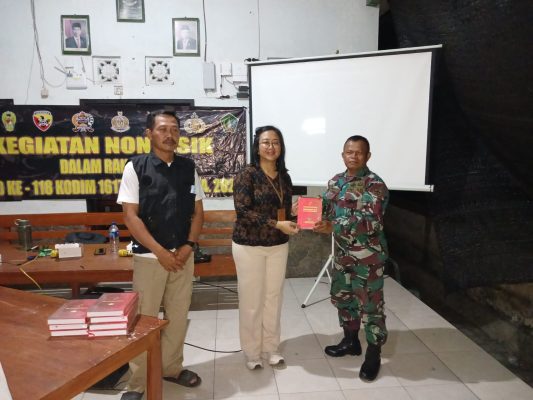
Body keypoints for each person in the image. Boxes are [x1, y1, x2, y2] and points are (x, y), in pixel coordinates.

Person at [117, 110, 204, 400]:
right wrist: (160, 252)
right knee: (144, 320)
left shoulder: (188, 167)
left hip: (182, 257)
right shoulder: (136, 167)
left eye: (175, 129)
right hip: (149, 258)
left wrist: (189, 246)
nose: (170, 135)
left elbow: (198, 212)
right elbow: (130, 216)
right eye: (163, 129)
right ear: (149, 134)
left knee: (178, 316)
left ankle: (171, 368)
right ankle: (138, 382)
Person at [314, 135, 389, 382]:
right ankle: (351, 342)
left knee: (371, 306)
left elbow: (370, 221)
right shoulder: (336, 181)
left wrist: (333, 226)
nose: (353, 156)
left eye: (359, 152)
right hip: (343, 255)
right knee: (343, 298)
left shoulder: (374, 185)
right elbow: (325, 207)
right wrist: (304, 208)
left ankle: (373, 355)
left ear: (367, 156)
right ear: (343, 154)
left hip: (368, 259)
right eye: (349, 152)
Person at [232, 125, 299, 370]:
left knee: (274, 298)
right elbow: (243, 211)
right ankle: (252, 352)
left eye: (276, 142)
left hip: (278, 245)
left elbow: (284, 209)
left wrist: (295, 214)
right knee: (252, 300)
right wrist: (277, 224)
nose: (271, 147)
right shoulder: (246, 174)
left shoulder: (284, 177)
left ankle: (271, 348)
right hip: (249, 245)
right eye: (266, 142)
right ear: (257, 147)